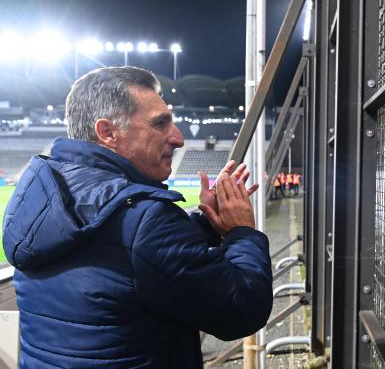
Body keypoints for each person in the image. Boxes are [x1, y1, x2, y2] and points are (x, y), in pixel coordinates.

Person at [2, 67, 273, 368]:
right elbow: (242, 309)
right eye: (160, 124)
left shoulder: (35, 199)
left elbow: (126, 260)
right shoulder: (144, 220)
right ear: (107, 132)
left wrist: (205, 222)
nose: (179, 139)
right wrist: (242, 232)